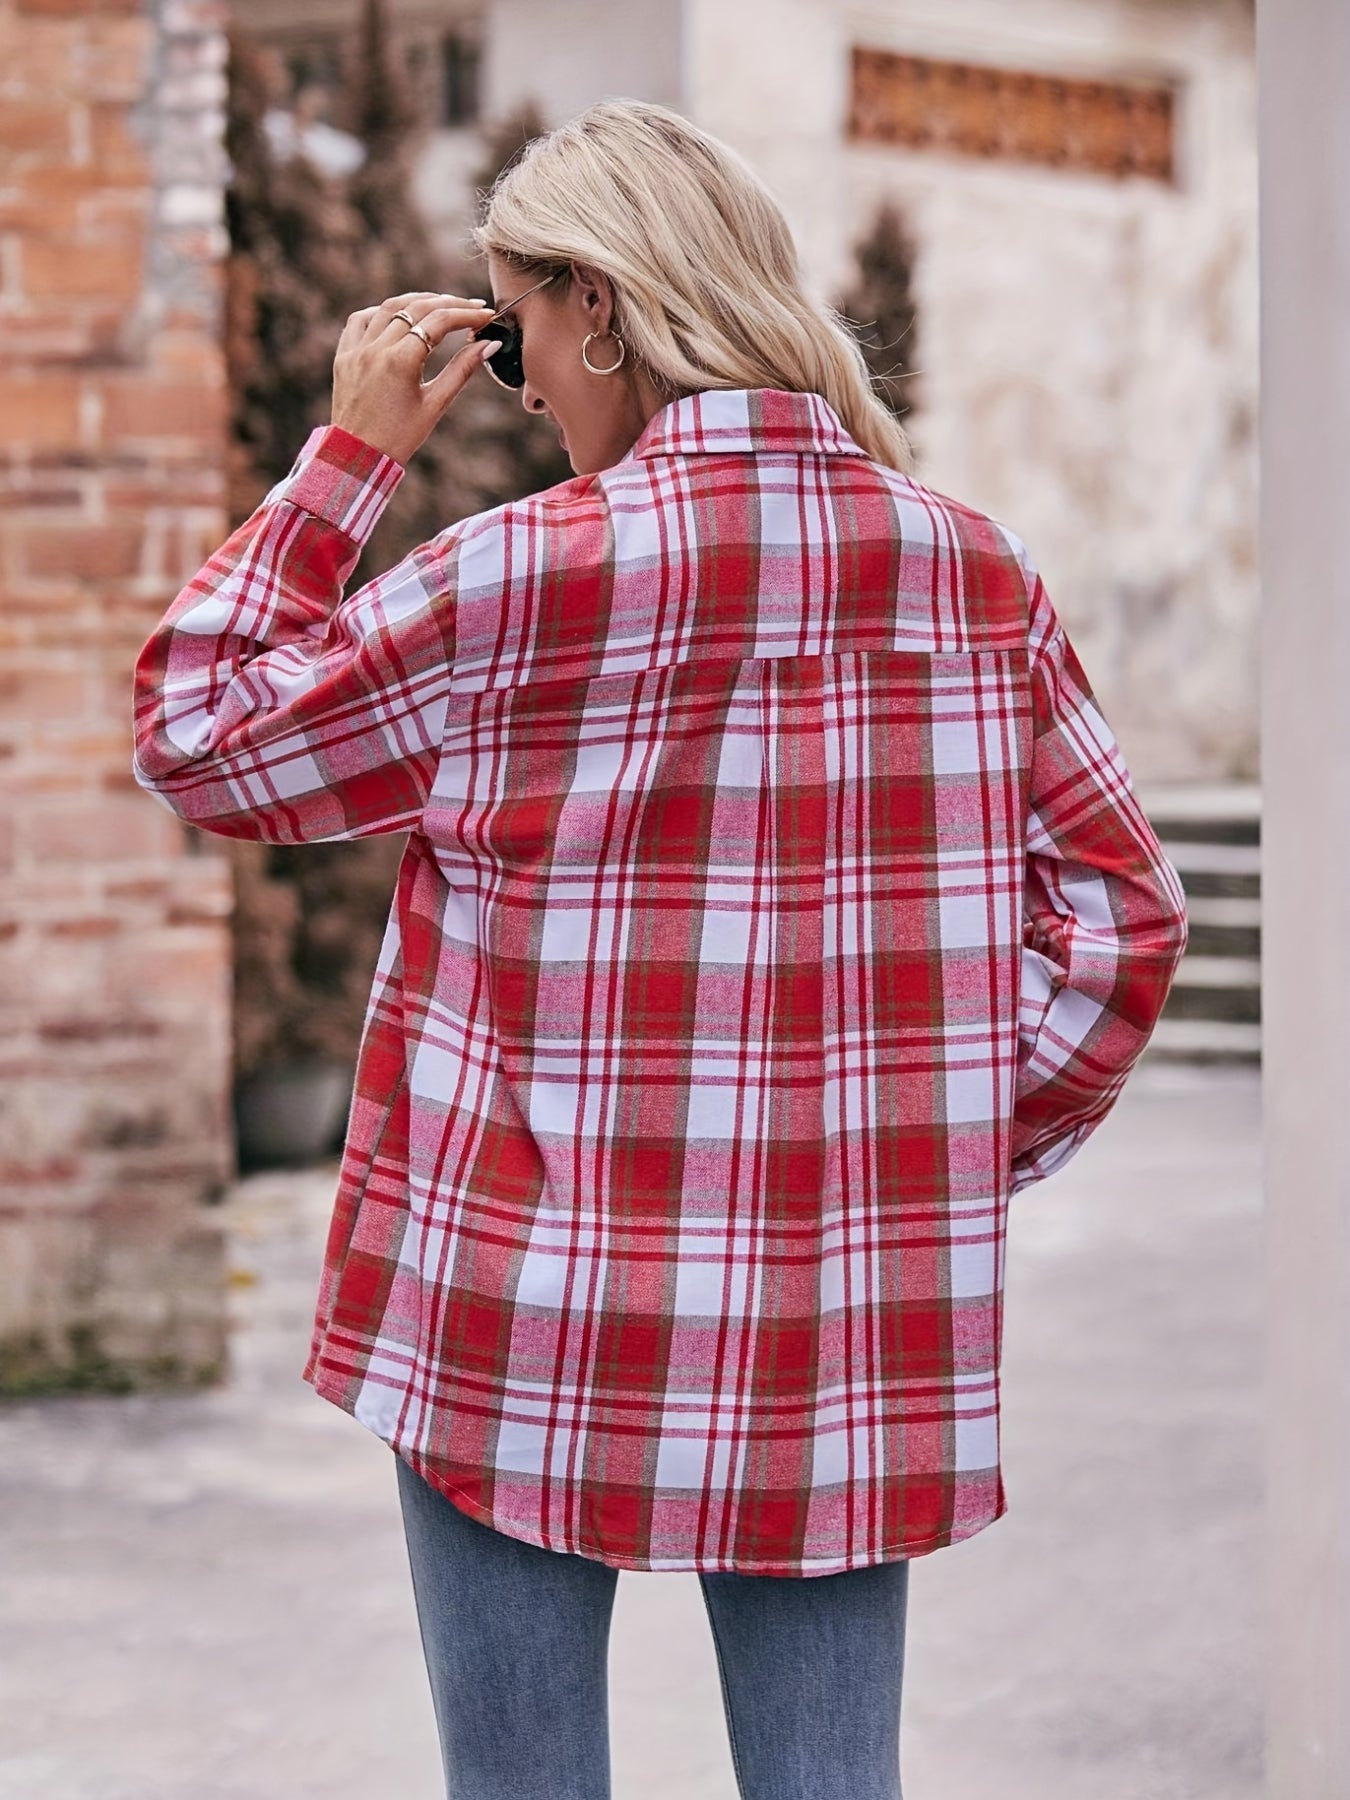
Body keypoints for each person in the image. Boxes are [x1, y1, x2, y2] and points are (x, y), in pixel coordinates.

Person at [133, 98, 1188, 1800]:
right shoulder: (966, 572)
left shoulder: (511, 581)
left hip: (514, 1308)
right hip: (841, 1321)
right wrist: (933, 1150)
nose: (522, 388)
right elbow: (1122, 917)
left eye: (516, 333)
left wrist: (348, 459)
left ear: (600, 305)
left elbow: (200, 738)